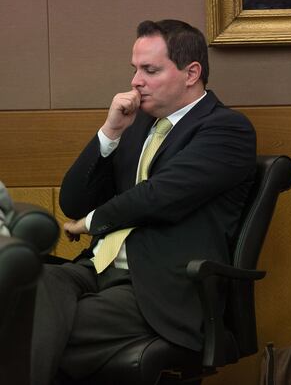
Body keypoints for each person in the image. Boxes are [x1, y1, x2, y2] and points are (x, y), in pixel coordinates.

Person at [30, 19, 257, 384]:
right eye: (135, 69)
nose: (136, 81)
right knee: (20, 291)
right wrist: (110, 132)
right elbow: (73, 201)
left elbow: (159, 197)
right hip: (96, 269)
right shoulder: (136, 126)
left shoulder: (225, 129)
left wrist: (91, 222)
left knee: (32, 328)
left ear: (191, 73)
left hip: (159, 289)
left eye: (150, 70)